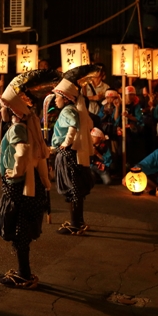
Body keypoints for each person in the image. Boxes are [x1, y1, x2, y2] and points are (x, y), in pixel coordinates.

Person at [0, 80, 51, 289]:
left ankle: (24, 274)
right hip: (28, 182)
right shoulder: (27, 125)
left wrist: (14, 171)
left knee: (19, 229)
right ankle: (24, 271)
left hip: (19, 184)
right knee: (22, 228)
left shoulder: (18, 127)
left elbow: (22, 151)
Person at [51, 71, 94, 236]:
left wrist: (65, 143)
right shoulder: (71, 109)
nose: (55, 100)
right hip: (72, 153)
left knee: (72, 188)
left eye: (57, 97)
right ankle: (78, 221)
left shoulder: (68, 111)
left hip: (68, 154)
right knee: (76, 188)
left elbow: (73, 126)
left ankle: (75, 224)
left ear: (66, 97)